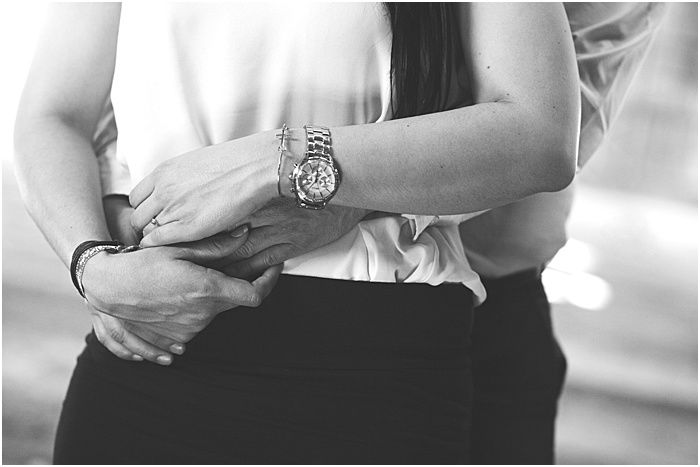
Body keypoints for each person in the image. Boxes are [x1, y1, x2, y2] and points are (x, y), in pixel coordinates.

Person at [14, 3, 580, 463]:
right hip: (156, 338)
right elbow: (53, 114)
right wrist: (93, 264)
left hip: (366, 364)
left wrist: (277, 163)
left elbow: (539, 136)